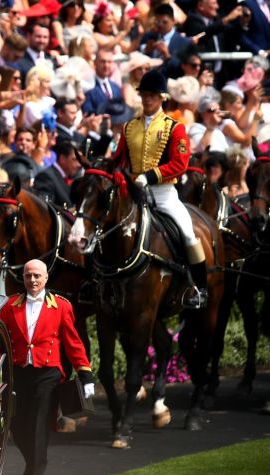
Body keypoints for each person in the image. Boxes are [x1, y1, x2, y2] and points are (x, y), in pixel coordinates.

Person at [0, 259, 94, 475]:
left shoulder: (62, 306)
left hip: (49, 373)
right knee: (18, 428)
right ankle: (36, 459)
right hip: (19, 372)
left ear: (46, 278)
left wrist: (85, 373)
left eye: (37, 276)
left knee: (39, 425)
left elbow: (73, 342)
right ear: (23, 277)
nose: (32, 280)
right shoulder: (10, 306)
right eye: (28, 275)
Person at [111, 70, 206, 309]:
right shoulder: (128, 127)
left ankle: (198, 287)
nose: (146, 99)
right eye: (143, 94)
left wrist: (150, 176)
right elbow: (119, 159)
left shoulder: (176, 128)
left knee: (187, 233)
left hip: (163, 193)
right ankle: (98, 281)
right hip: (133, 194)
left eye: (151, 95)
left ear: (162, 97)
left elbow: (180, 164)